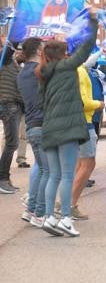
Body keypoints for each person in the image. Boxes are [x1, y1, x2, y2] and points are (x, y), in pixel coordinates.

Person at [36, 9, 98, 237]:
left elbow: (41, 104)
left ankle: (49, 217)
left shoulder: (43, 73)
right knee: (67, 175)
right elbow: (88, 45)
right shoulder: (66, 66)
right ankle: (65, 219)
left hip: (49, 129)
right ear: (63, 55)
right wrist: (93, 20)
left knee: (54, 175)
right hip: (68, 129)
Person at [16, 37, 48, 227]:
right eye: (43, 48)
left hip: (31, 125)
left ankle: (31, 209)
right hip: (43, 125)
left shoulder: (22, 74)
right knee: (49, 171)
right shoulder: (39, 72)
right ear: (38, 51)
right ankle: (39, 212)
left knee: (42, 168)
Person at [70, 61, 105, 220]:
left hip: (77, 122)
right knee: (88, 164)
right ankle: (69, 204)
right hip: (84, 123)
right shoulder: (80, 71)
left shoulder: (74, 69)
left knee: (80, 165)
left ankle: (68, 204)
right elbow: (84, 102)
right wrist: (99, 104)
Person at [0, 43, 23, 194]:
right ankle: (2, 180)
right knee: (12, 143)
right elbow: (11, 46)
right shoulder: (3, 57)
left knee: (12, 143)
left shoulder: (10, 60)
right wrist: (21, 24)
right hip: (9, 105)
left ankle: (5, 178)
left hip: (11, 105)